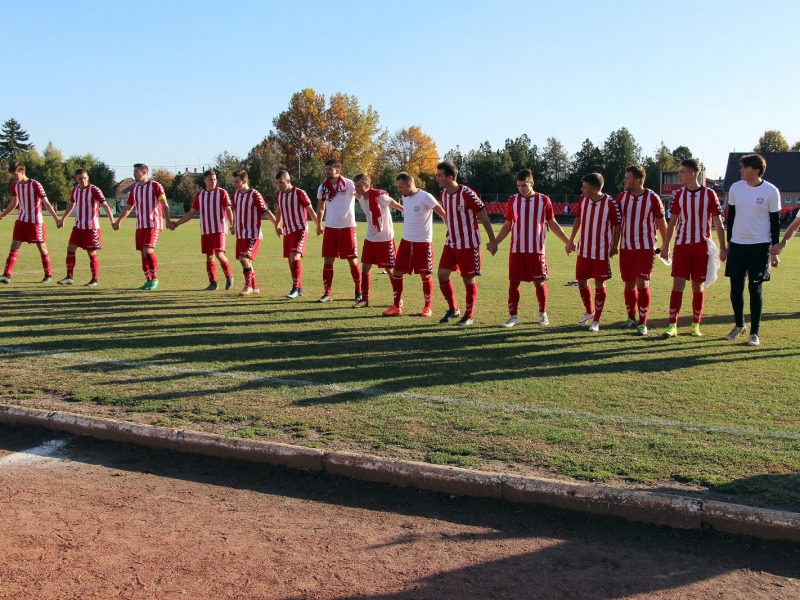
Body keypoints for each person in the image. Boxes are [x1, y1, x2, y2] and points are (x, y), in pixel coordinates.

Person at [488, 169, 571, 328]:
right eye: (518, 186)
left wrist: (567, 241)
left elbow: (552, 223)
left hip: (536, 250)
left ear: (531, 183)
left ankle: (542, 314)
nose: (521, 189)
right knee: (514, 283)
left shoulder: (544, 200)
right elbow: (507, 225)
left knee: (539, 282)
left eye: (524, 185)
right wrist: (495, 242)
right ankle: (513, 317)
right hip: (517, 249)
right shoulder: (513, 200)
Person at [659, 159, 727, 337]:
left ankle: (695, 324)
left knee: (698, 286)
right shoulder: (679, 194)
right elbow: (672, 222)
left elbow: (718, 223)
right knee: (678, 284)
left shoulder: (709, 194)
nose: (679, 175)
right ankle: (672, 325)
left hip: (701, 247)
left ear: (692, 174)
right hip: (682, 246)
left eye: (681, 172)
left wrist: (723, 248)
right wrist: (665, 246)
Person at [724, 154, 781, 346]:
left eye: (744, 167)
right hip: (738, 245)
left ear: (755, 170)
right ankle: (739, 325)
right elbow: (731, 218)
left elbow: (775, 222)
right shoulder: (735, 188)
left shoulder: (771, 191)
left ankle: (754, 333)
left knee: (754, 288)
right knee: (735, 288)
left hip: (760, 247)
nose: (740, 170)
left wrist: (773, 250)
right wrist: (729, 242)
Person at [436, 160, 497, 325]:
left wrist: (493, 241)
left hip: (468, 244)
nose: (437, 178)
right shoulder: (443, 194)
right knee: (442, 274)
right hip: (451, 243)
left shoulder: (467, 193)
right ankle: (453, 308)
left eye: (440, 175)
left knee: (468, 279)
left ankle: (469, 316)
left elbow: (483, 216)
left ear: (449, 177)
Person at [383, 172, 445, 317]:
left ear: (409, 185)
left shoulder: (426, 197)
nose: (399, 190)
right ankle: (396, 306)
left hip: (423, 243)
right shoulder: (406, 197)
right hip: (406, 241)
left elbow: (443, 213)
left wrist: (451, 230)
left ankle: (427, 307)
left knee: (425, 275)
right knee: (397, 272)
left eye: (401, 187)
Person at [616, 165, 667, 336]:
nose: (624, 180)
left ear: (637, 180)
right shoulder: (621, 198)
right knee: (629, 283)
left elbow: (661, 222)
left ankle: (643, 323)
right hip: (626, 248)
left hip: (645, 248)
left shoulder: (652, 198)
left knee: (642, 283)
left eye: (627, 177)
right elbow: (615, 224)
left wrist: (665, 245)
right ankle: (631, 318)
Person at [566, 173, 620, 332]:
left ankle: (596, 320)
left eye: (585, 186)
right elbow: (578, 219)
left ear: (595, 188)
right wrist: (571, 240)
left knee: (599, 284)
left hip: (601, 252)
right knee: (581, 282)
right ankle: (590, 311)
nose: (582, 189)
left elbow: (617, 225)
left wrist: (614, 245)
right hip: (583, 250)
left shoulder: (610, 203)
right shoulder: (583, 200)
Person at [169, 169, 234, 291]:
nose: (213, 181)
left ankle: (229, 276)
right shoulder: (200, 195)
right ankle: (213, 283)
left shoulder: (221, 193)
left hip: (219, 229)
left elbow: (228, 209)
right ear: (205, 180)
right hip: (206, 230)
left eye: (215, 179)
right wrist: (177, 223)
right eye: (210, 179)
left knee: (219, 254)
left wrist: (232, 224)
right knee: (209, 257)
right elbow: (191, 212)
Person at [0, 162, 60, 284]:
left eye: (16, 175)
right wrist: (3, 215)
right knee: (14, 245)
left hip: (35, 222)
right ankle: (7, 275)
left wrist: (57, 219)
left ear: (22, 172)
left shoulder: (35, 184)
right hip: (21, 221)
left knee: (41, 247)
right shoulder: (14, 185)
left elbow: (47, 203)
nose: (14, 177)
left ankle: (48, 275)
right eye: (12, 175)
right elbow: (14, 203)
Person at [113, 163, 171, 290]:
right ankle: (148, 280)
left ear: (144, 172)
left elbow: (164, 203)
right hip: (140, 226)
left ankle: (155, 279)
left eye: (136, 172)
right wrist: (119, 221)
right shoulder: (134, 189)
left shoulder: (155, 186)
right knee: (143, 254)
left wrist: (168, 220)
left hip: (153, 224)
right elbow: (128, 207)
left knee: (148, 250)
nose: (134, 174)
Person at [56, 169, 116, 287]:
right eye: (80, 178)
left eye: (84, 178)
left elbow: (105, 205)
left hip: (91, 227)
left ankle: (94, 279)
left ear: (87, 177)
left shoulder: (94, 190)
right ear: (76, 179)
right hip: (78, 226)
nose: (82, 180)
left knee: (91, 252)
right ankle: (69, 277)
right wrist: (63, 219)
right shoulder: (75, 190)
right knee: (70, 248)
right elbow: (71, 205)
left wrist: (112, 221)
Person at [353, 173, 404, 308]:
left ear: (367, 185)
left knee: (390, 270)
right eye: (355, 185)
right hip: (370, 238)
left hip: (385, 238)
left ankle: (398, 299)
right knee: (365, 269)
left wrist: (409, 214)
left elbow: (396, 205)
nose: (356, 188)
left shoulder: (379, 196)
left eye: (359, 186)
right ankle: (365, 299)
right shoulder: (361, 199)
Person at [316, 159, 361, 303]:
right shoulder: (323, 187)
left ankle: (359, 291)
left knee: (352, 260)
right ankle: (327, 292)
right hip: (330, 228)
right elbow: (321, 207)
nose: (328, 171)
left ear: (338, 170)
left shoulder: (349, 184)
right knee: (328, 260)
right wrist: (318, 224)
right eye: (326, 168)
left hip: (347, 227)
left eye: (330, 169)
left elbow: (361, 197)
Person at [232, 169, 282, 296]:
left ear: (245, 181)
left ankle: (248, 286)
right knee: (245, 260)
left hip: (252, 234)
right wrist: (233, 225)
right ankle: (255, 287)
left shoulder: (255, 194)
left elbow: (266, 211)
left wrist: (277, 225)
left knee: (244, 259)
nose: (235, 184)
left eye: (237, 182)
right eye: (234, 182)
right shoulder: (236, 194)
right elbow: (235, 211)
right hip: (241, 234)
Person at [275, 170, 319, 299]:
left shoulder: (299, 193)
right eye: (277, 183)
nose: (279, 185)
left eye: (281, 182)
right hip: (287, 231)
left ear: (288, 181)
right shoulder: (279, 195)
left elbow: (310, 210)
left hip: (300, 230)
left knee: (294, 257)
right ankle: (299, 288)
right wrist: (277, 225)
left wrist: (318, 225)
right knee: (290, 261)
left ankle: (294, 289)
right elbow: (279, 211)